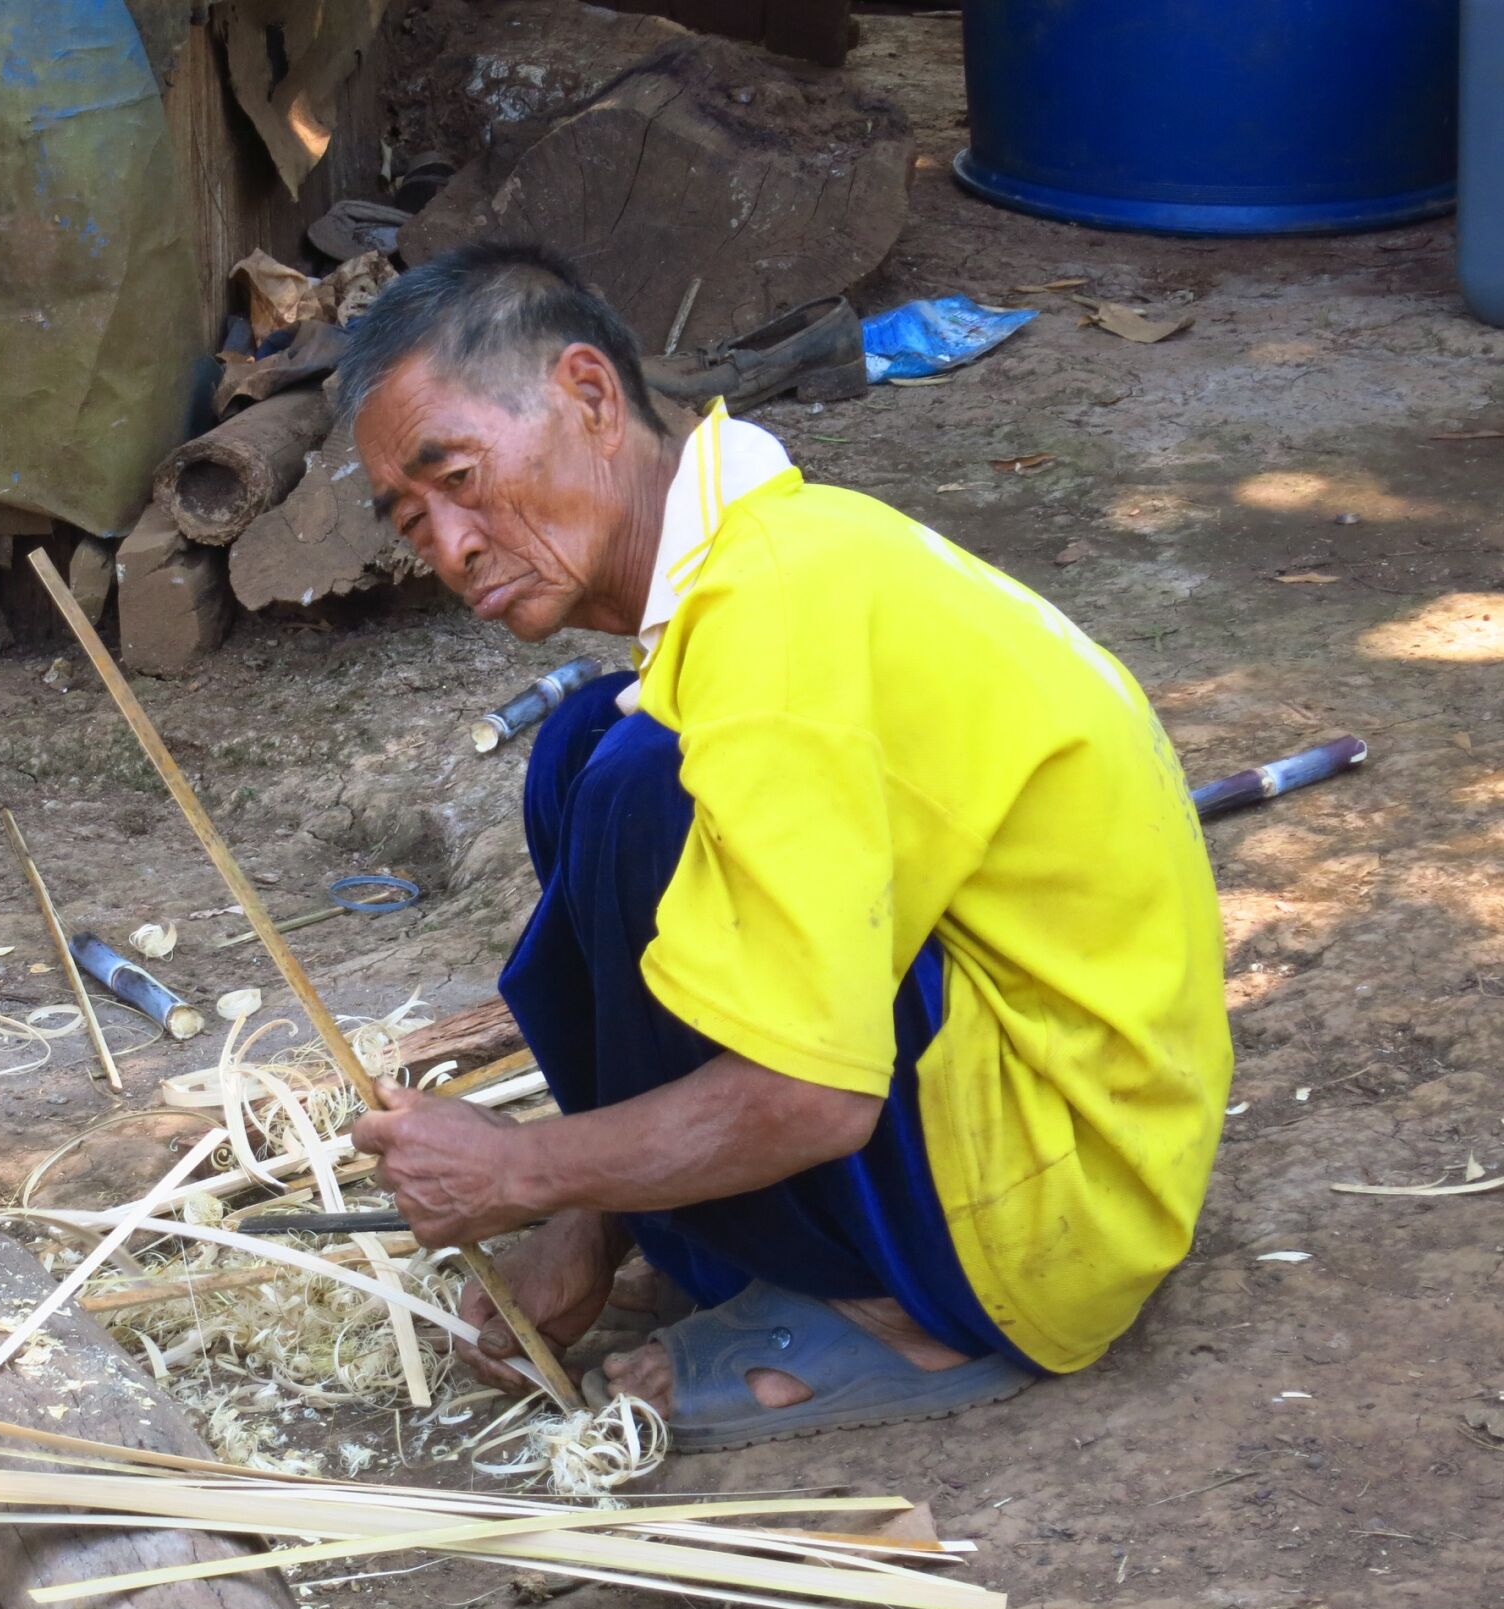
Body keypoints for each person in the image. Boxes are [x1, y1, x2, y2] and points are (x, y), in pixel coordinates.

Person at [337, 243, 1232, 1450]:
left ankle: (896, 1310)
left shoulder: (775, 617)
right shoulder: (763, 559)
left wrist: (524, 1173)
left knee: (640, 782)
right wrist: (589, 1219)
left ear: (590, 396)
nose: (450, 547)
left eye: (459, 478)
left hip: (1056, 1206)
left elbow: (812, 1097)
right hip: (1052, 1116)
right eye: (413, 519)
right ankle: (689, 1223)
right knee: (590, 753)